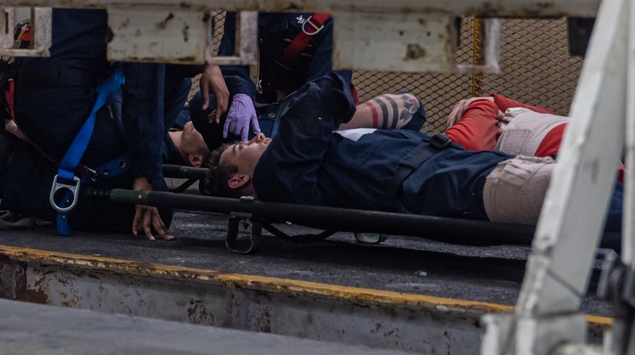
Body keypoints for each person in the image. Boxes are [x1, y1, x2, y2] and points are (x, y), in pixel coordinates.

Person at [204, 71, 623, 232]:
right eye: (244, 145)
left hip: (470, 165)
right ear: (240, 179)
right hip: (454, 184)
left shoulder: (312, 155)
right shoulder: (279, 178)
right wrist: (344, 116)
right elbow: (318, 99)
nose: (259, 138)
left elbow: (412, 108)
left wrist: (345, 119)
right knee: (587, 195)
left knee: (601, 187)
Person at [0, 9, 173, 240]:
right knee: (158, 203)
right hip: (60, 102)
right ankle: (17, 176)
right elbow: (142, 87)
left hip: (26, 87)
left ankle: (26, 161)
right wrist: (146, 173)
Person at [191, 12, 338, 149]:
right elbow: (233, 60)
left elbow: (323, 92)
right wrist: (242, 94)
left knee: (263, 142)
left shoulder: (330, 19)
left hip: (302, 108)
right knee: (204, 104)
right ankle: (229, 166)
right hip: (263, 96)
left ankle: (248, 167)